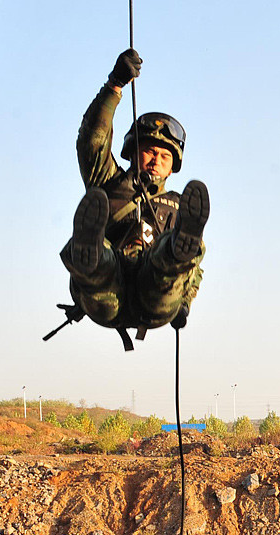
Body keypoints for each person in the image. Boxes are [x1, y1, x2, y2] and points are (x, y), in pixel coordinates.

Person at [57, 49, 209, 348]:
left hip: (153, 300)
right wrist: (115, 85)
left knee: (171, 256)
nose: (156, 161)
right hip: (106, 298)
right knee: (101, 259)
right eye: (150, 151)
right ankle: (89, 252)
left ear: (172, 167)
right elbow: (92, 140)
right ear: (132, 151)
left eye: (165, 156)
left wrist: (185, 301)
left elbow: (196, 268)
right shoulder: (108, 182)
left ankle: (172, 251)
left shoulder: (181, 206)